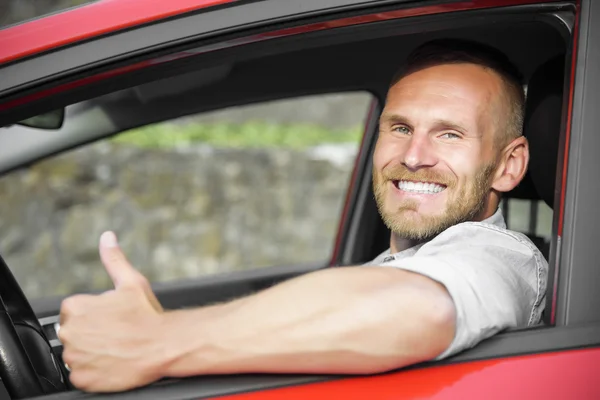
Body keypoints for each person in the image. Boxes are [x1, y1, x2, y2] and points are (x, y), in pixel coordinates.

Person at [58, 39, 548, 392]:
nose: (414, 155)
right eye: (400, 127)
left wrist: (154, 342)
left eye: (449, 134)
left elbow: (419, 309)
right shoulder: (391, 264)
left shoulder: (501, 256)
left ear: (508, 166)